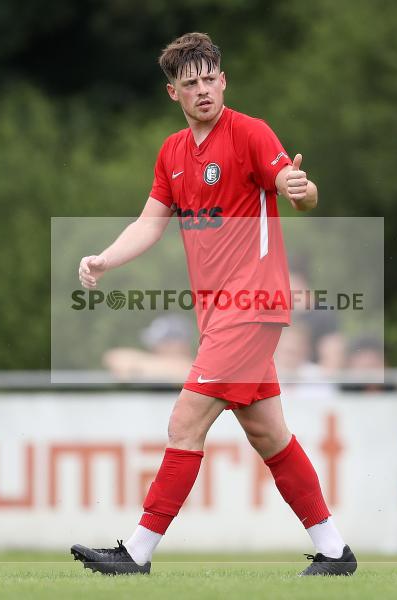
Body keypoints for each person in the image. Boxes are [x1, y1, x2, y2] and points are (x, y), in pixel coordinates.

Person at [71, 32, 356, 577]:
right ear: (172, 92)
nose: (202, 90)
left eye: (210, 78)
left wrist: (301, 189)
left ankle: (136, 552)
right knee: (269, 433)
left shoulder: (249, 132)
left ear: (223, 80)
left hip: (253, 305)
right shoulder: (172, 153)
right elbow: (152, 221)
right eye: (190, 82)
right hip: (221, 314)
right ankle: (335, 550)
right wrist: (106, 259)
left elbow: (296, 188)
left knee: (184, 424)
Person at [103, 315, 194, 382]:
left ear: (177, 345)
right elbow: (114, 358)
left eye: (160, 344)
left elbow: (182, 372)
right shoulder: (153, 364)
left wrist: (137, 368)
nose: (153, 349)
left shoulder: (195, 371)